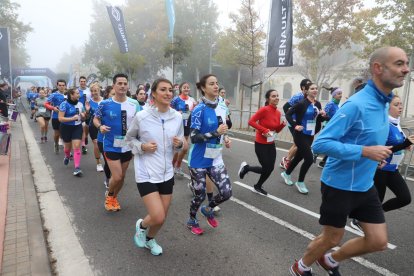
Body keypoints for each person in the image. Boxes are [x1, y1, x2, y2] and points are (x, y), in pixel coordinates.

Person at [288, 46, 409, 276]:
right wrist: (365, 152)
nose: (406, 69)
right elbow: (320, 144)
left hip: (365, 185)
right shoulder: (356, 104)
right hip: (340, 184)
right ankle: (300, 267)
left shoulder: (384, 103)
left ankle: (330, 260)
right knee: (332, 237)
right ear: (378, 68)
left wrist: (378, 156)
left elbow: (369, 136)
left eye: (406, 63)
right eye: (399, 64)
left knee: (378, 241)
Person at [126, 78, 184, 256]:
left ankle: (150, 240)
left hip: (167, 173)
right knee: (157, 215)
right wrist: (142, 147)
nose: (168, 93)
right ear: (154, 94)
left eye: (170, 90)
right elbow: (129, 140)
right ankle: (141, 225)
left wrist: (180, 144)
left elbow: (183, 142)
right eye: (163, 90)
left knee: (162, 217)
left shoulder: (177, 117)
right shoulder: (142, 116)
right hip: (146, 172)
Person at [350, 95, 414, 232]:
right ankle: (359, 220)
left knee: (405, 198)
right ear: (387, 108)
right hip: (380, 168)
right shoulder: (384, 125)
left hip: (392, 168)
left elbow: (398, 144)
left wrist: (406, 145)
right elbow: (382, 149)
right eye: (396, 104)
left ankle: (373, 216)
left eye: (401, 104)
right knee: (377, 199)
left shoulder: (396, 124)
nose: (401, 107)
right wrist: (405, 144)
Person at [186, 74, 232, 235]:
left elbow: (223, 126)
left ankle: (208, 209)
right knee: (199, 195)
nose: (216, 86)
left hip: (215, 158)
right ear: (203, 88)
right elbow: (194, 137)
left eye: (217, 83)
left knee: (226, 193)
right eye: (211, 84)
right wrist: (215, 133)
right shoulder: (199, 110)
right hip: (198, 160)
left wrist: (225, 137)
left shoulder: (221, 105)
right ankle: (192, 220)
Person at [93, 73, 140, 212]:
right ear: (113, 85)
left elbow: (141, 121)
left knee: (122, 177)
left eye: (125, 83)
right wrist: (100, 126)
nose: (123, 86)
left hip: (127, 145)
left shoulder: (134, 103)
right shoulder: (105, 104)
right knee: (117, 176)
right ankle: (110, 195)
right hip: (110, 145)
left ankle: (113, 198)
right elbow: (96, 119)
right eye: (119, 83)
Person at [238, 89, 286, 195]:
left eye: (277, 95)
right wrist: (264, 130)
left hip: (271, 143)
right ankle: (247, 168)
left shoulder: (278, 113)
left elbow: (276, 130)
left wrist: (282, 125)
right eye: (273, 96)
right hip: (261, 144)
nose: (276, 98)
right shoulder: (264, 110)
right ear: (268, 99)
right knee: (266, 167)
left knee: (270, 168)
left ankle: (257, 185)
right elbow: (251, 121)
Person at [281, 82, 325, 195]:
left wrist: (323, 115)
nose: (315, 90)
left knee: (299, 157)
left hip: (310, 135)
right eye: (312, 88)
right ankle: (300, 182)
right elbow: (288, 114)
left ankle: (286, 174)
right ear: (307, 91)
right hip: (300, 135)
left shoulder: (318, 104)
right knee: (309, 159)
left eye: (316, 88)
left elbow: (318, 119)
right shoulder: (302, 103)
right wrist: (295, 125)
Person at [280, 79, 312, 170]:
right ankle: (286, 160)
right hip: (295, 124)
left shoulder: (309, 98)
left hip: (303, 124)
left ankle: (286, 160)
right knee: (298, 144)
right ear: (303, 88)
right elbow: (285, 107)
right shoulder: (298, 96)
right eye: (308, 86)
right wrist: (292, 120)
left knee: (297, 144)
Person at [170, 82, 197, 176]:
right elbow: (169, 110)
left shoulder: (192, 100)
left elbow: (195, 111)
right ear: (180, 89)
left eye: (188, 87)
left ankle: (177, 166)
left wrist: (192, 111)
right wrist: (178, 112)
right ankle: (172, 166)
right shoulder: (175, 100)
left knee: (184, 148)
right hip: (177, 125)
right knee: (177, 148)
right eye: (184, 87)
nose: (186, 89)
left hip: (186, 125)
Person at [58, 88, 86, 176]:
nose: (79, 95)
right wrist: (72, 118)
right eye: (77, 93)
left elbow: (84, 117)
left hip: (77, 127)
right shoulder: (64, 104)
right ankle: (67, 156)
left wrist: (83, 115)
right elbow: (60, 118)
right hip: (66, 128)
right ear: (71, 95)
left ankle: (77, 168)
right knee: (67, 148)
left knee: (77, 146)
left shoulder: (81, 104)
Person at [318, 87, 343, 168]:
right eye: (339, 94)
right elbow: (323, 115)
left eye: (341, 93)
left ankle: (323, 161)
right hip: (328, 127)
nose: (340, 95)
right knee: (331, 144)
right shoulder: (331, 104)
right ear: (334, 95)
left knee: (333, 144)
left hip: (334, 127)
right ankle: (315, 152)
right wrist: (331, 119)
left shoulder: (336, 104)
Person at [85, 83, 104, 172]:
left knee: (103, 144)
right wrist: (87, 111)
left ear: (99, 90)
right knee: (96, 144)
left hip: (104, 125)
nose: (94, 93)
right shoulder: (89, 102)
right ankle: (98, 163)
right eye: (92, 91)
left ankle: (104, 156)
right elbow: (86, 116)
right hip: (93, 125)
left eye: (95, 91)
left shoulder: (105, 101)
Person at [45, 80, 67, 153]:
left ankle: (67, 151)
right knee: (57, 134)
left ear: (65, 86)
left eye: (63, 85)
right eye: (60, 85)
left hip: (66, 117)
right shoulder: (54, 95)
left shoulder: (68, 94)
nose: (61, 87)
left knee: (65, 133)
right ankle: (56, 144)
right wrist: (53, 108)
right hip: (56, 117)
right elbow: (46, 104)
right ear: (57, 86)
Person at [78, 76, 91, 154]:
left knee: (87, 127)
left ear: (86, 82)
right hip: (80, 112)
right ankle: (83, 146)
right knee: (82, 127)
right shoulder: (76, 91)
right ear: (79, 82)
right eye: (81, 81)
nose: (83, 82)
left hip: (88, 111)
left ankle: (85, 137)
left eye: (84, 81)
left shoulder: (89, 90)